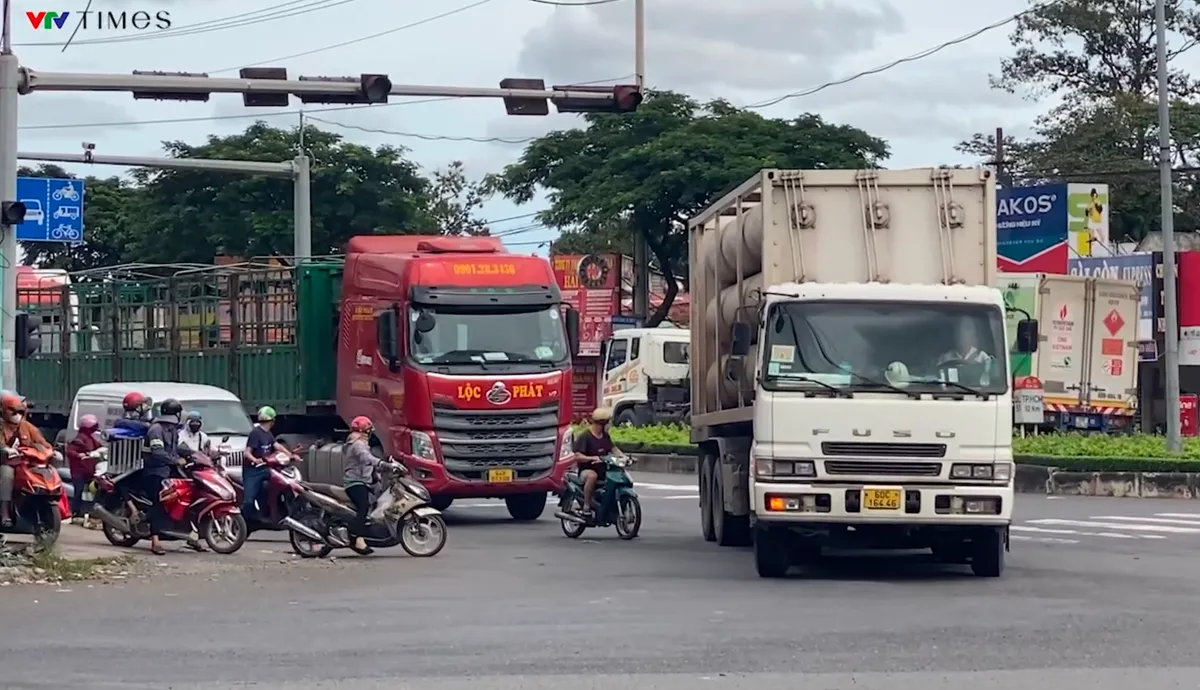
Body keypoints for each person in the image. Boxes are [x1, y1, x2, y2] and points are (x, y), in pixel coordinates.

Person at [143, 398, 195, 555]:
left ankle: (191, 536)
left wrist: (194, 453)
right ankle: (155, 541)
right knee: (160, 502)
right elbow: (158, 452)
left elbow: (175, 448)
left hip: (169, 470)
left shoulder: (172, 430)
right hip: (154, 471)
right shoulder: (156, 430)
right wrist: (175, 460)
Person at [0, 392, 53, 528]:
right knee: (7, 475)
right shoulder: (1, 427)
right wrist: (6, 449)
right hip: (7, 463)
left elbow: (40, 441)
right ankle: (4, 513)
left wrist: (50, 450)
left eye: (20, 412)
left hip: (27, 463)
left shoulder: (27, 426)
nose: (17, 415)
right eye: (13, 412)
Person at [242, 406, 295, 524]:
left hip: (266, 469)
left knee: (282, 484)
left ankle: (274, 513)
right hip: (253, 472)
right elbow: (247, 453)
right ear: (272, 420)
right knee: (248, 501)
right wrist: (255, 460)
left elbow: (278, 446)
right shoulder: (256, 433)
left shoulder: (268, 434)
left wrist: (290, 455)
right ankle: (245, 521)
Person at [571, 407, 625, 518]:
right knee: (592, 476)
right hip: (586, 470)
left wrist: (624, 457)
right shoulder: (585, 436)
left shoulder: (605, 436)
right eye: (607, 423)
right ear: (601, 424)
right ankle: (586, 505)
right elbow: (577, 456)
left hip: (604, 469)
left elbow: (613, 449)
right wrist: (592, 458)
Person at [343, 416, 384, 554]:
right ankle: (357, 538)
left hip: (362, 481)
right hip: (355, 483)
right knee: (364, 506)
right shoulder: (358, 444)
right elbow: (366, 459)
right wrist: (381, 463)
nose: (370, 433)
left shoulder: (357, 443)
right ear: (364, 431)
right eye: (368, 430)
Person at [66, 414, 105, 527]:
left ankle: (88, 514)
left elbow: (99, 447)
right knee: (79, 492)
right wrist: (80, 455)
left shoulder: (90, 438)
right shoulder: (79, 439)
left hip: (89, 472)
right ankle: (76, 514)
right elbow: (70, 451)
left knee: (91, 492)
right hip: (79, 472)